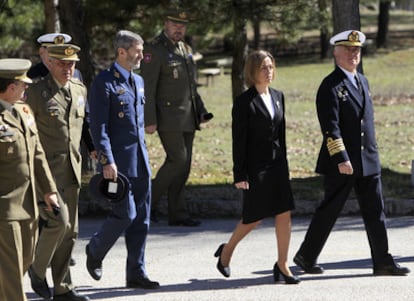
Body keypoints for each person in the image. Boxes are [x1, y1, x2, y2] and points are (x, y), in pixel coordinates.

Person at [293, 30, 410, 277]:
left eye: (356, 50)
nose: (353, 54)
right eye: (347, 49)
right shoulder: (330, 86)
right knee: (330, 210)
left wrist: (373, 154)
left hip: (367, 160)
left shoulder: (362, 81)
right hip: (344, 163)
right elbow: (330, 128)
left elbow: (366, 123)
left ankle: (382, 261)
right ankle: (306, 256)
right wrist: (341, 158)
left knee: (375, 211)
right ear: (335, 52)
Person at [214, 50, 300, 284]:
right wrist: (239, 172)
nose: (268, 71)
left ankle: (283, 264)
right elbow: (238, 139)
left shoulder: (278, 96)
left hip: (278, 165)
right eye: (263, 67)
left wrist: (285, 167)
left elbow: (280, 136)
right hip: (255, 167)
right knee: (254, 216)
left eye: (271, 66)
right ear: (252, 71)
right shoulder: (244, 102)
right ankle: (227, 251)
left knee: (284, 213)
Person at [85, 30, 159, 290]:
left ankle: (136, 272)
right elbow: (99, 126)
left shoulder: (138, 81)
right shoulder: (104, 82)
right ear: (122, 52)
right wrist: (106, 160)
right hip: (117, 165)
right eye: (137, 51)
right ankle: (95, 250)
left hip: (140, 161)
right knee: (125, 213)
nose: (142, 55)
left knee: (142, 219)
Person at [26, 44, 90, 300]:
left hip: (72, 171)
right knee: (58, 222)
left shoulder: (79, 90)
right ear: (50, 63)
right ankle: (37, 269)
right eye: (62, 64)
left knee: (70, 232)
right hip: (46, 172)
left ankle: (63, 288)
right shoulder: (36, 93)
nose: (68, 69)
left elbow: (82, 128)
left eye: (72, 64)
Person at [140, 9, 213, 226]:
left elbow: (191, 86)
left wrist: (200, 110)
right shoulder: (153, 50)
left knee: (185, 165)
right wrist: (149, 119)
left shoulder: (186, 49)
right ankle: (145, 206)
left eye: (182, 25)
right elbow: (148, 87)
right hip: (167, 117)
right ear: (166, 23)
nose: (178, 28)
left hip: (188, 116)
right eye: (174, 24)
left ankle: (178, 213)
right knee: (177, 159)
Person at [0, 58, 59, 301]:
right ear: (11, 87)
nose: (27, 88)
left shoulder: (23, 111)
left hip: (29, 205)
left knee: (24, 262)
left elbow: (37, 154)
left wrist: (49, 190)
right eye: (23, 85)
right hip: (5, 210)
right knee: (12, 273)